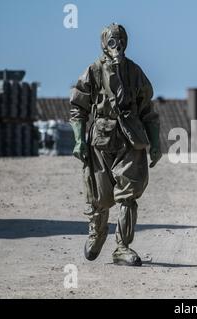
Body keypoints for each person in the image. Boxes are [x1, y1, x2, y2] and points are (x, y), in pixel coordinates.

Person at [69, 23, 161, 267]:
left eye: (121, 41)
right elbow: (78, 108)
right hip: (100, 141)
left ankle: (122, 247)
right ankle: (97, 234)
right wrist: (79, 141)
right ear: (104, 44)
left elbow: (148, 110)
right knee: (99, 197)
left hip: (130, 138)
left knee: (128, 194)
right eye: (112, 42)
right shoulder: (93, 71)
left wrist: (155, 143)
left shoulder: (135, 72)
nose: (117, 46)